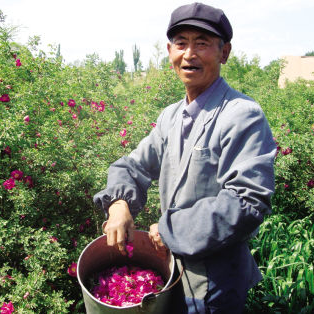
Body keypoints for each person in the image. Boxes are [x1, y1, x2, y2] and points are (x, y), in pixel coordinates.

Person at [94, 2, 276, 313]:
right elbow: (133, 165)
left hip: (213, 283)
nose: (189, 54)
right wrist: (119, 204)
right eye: (181, 43)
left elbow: (247, 203)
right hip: (170, 275)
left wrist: (170, 229)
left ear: (224, 52)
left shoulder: (242, 115)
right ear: (169, 51)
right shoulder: (172, 116)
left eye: (202, 43)